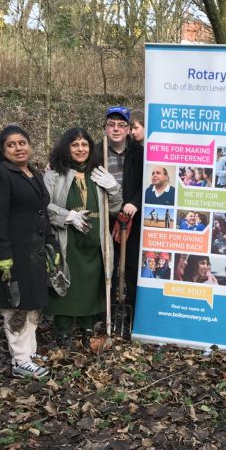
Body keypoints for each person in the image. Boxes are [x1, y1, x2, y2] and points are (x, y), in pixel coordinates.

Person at [0, 125, 59, 378]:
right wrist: (2, 254)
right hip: (13, 250)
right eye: (11, 145)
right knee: (16, 306)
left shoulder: (33, 172)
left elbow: (42, 211)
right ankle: (20, 360)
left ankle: (30, 351)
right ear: (3, 150)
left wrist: (51, 243)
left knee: (34, 303)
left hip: (34, 251)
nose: (18, 148)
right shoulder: (2, 175)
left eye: (22, 142)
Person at [44, 127, 121, 341]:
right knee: (66, 283)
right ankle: (63, 329)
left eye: (84, 144)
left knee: (91, 284)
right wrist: (67, 216)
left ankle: (88, 327)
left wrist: (114, 188)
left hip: (95, 241)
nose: (80, 149)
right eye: (75, 144)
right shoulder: (54, 174)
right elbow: (43, 206)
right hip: (67, 240)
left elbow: (114, 208)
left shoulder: (98, 174)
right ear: (67, 148)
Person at [96, 107, 143, 307]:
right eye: (111, 125)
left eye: (121, 125)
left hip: (132, 216)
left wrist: (135, 202)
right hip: (104, 216)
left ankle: (133, 309)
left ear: (127, 128)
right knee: (107, 265)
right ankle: (105, 309)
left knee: (132, 265)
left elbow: (148, 182)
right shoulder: (96, 152)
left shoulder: (138, 152)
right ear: (106, 128)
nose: (116, 129)